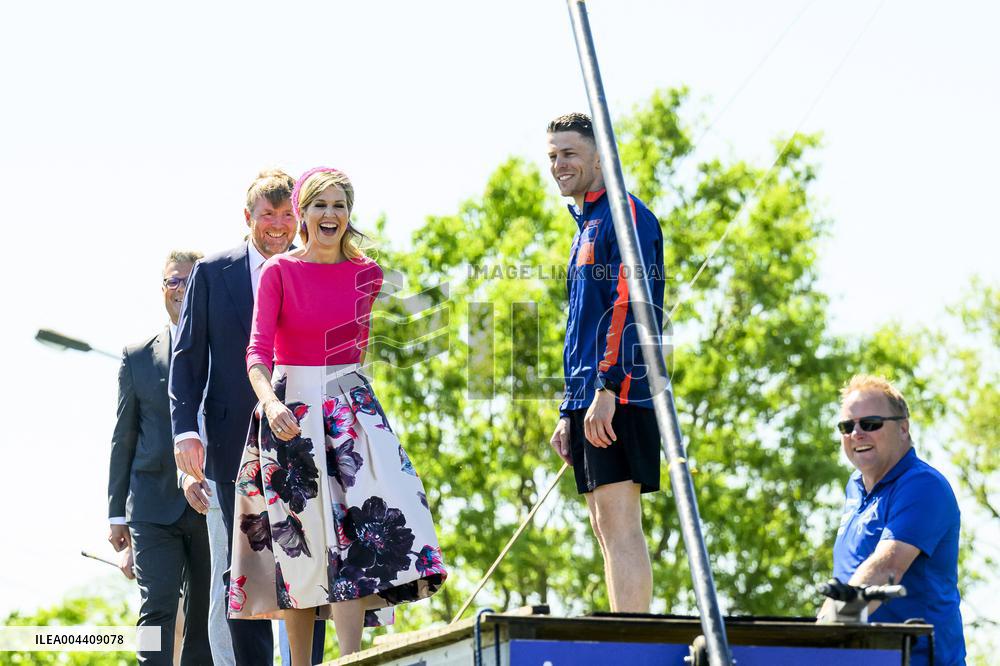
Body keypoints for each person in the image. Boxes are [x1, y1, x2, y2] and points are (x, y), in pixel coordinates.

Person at [229, 167, 447, 662]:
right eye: (320, 205)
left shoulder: (368, 274)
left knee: (355, 536)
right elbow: (257, 353)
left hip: (350, 412)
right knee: (300, 547)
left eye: (339, 206)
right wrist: (271, 402)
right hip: (289, 412)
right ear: (302, 213)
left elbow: (359, 353)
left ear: (349, 215)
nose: (330, 215)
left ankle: (352, 659)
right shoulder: (278, 271)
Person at [170, 170, 325, 664]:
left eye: (287, 215)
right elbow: (188, 359)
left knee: (308, 559)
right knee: (243, 565)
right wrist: (186, 432)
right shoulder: (213, 273)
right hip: (230, 440)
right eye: (267, 216)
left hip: (302, 434)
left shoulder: (313, 267)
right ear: (248, 217)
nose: (278, 226)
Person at [545, 113, 665, 613]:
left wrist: (607, 389)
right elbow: (583, 323)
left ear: (600, 156)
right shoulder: (586, 223)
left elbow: (629, 304)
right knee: (602, 522)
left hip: (618, 394)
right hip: (588, 396)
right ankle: (623, 630)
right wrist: (567, 410)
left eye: (569, 153)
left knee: (619, 522)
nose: (559, 165)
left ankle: (631, 641)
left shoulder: (624, 215)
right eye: (552, 156)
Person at [108, 250, 212, 665]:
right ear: (162, 288)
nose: (182, 290)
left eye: (191, 281)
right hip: (150, 507)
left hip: (210, 502)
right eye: (174, 281)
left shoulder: (223, 350)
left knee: (206, 615)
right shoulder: (136, 356)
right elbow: (123, 439)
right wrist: (116, 514)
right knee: (157, 612)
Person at [818, 374, 965, 666]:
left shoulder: (922, 484)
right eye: (847, 426)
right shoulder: (854, 488)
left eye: (870, 424)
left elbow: (887, 568)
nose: (856, 433)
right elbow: (846, 584)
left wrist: (818, 639)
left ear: (903, 428)